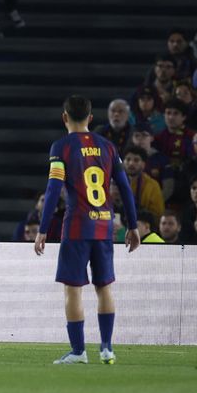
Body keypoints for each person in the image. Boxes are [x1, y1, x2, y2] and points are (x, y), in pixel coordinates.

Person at [36, 95, 139, 366]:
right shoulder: (108, 147)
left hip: (78, 226)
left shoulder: (61, 147)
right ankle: (106, 348)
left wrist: (43, 229)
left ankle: (79, 351)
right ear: (91, 118)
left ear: (65, 117)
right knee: (104, 287)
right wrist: (133, 225)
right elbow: (125, 189)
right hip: (105, 225)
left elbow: (53, 189)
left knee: (73, 289)